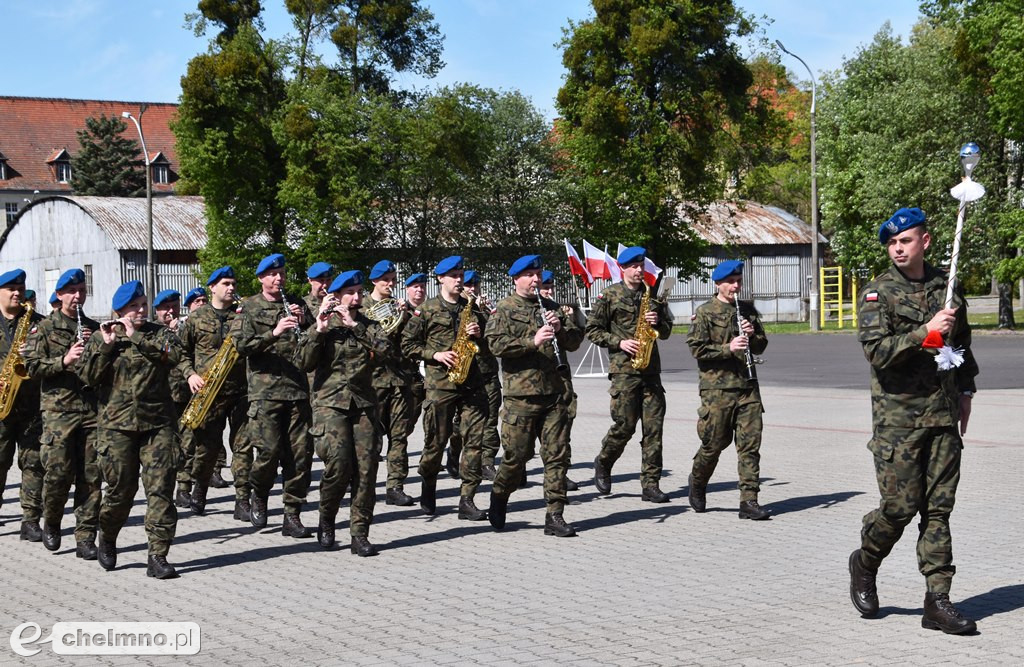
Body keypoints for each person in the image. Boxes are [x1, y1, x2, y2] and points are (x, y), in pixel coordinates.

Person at [849, 207, 979, 635]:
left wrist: (965, 391)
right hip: (899, 421)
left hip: (942, 415)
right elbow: (878, 353)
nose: (897, 248)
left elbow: (962, 345)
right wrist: (924, 331)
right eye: (891, 242)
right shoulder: (878, 293)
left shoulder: (948, 287)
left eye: (905, 240)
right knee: (900, 508)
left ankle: (937, 601)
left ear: (925, 240)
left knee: (938, 511)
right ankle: (865, 562)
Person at [78, 280, 182, 579]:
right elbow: (87, 377)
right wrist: (106, 347)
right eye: (132, 307)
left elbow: (171, 357)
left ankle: (157, 555)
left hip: (158, 424)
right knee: (121, 491)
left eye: (142, 305)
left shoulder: (159, 333)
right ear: (118, 311)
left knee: (161, 491)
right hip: (116, 427)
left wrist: (136, 337)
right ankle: (108, 536)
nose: (139, 311)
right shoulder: (102, 337)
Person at [297, 270, 392, 555]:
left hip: (363, 405)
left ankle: (359, 533)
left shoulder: (368, 324)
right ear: (335, 296)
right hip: (330, 404)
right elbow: (303, 361)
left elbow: (387, 350)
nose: (356, 297)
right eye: (350, 293)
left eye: (359, 292)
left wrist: (355, 327)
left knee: (366, 470)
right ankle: (327, 518)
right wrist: (319, 330)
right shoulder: (323, 325)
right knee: (338, 466)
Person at [485, 256, 583, 536]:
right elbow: (495, 345)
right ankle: (500, 494)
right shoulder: (504, 309)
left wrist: (561, 328)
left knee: (557, 456)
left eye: (538, 274)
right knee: (516, 458)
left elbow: (575, 343)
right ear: (515, 279)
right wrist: (532, 341)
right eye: (529, 274)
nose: (535, 279)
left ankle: (555, 515)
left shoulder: (551, 307)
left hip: (554, 395)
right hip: (521, 397)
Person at [234, 253, 315, 538]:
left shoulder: (296, 302)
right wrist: (274, 332)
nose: (278, 279)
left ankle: (292, 514)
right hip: (265, 393)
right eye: (272, 274)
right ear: (260, 278)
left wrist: (305, 321)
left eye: (281, 273)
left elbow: (314, 339)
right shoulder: (250, 307)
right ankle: (258, 493)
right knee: (267, 453)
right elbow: (242, 346)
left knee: (300, 456)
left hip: (296, 390)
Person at [401, 255, 488, 520]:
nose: (459, 280)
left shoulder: (472, 307)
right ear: (440, 278)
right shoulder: (426, 310)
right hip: (441, 385)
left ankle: (467, 499)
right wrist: (435, 355)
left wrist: (479, 334)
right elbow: (407, 346)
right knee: (435, 442)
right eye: (454, 276)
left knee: (474, 442)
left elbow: (489, 345)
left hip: (472, 383)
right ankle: (428, 483)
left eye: (461, 275)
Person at [23, 268, 102, 558]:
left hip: (91, 412)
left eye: (81, 290)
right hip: (58, 412)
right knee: (57, 475)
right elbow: (31, 367)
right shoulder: (44, 328)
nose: (77, 296)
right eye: (71, 291)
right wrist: (64, 360)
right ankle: (52, 521)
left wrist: (99, 349)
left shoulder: (92, 327)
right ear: (59, 295)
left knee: (91, 477)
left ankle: (85, 537)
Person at [585, 246, 673, 502]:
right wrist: (619, 342)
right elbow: (592, 330)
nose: (638, 271)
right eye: (633, 267)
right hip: (624, 371)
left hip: (651, 372)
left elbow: (666, 332)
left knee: (654, 430)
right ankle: (604, 460)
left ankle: (650, 484)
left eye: (641, 266)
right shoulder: (609, 296)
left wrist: (659, 323)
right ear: (623, 268)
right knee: (624, 426)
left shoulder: (653, 296)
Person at [686, 260, 770, 520]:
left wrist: (752, 333)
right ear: (718, 284)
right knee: (714, 444)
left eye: (739, 281)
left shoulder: (746, 310)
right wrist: (728, 348)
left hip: (747, 388)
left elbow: (761, 346)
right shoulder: (705, 312)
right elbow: (696, 349)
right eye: (731, 282)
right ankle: (698, 481)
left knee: (749, 446)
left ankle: (749, 501)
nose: (736, 286)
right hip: (717, 390)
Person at [178, 267, 250, 519]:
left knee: (242, 448)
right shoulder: (196, 319)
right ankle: (199, 491)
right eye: (226, 283)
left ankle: (243, 500)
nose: (231, 288)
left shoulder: (242, 316)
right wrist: (190, 374)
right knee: (206, 449)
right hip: (208, 392)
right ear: (213, 287)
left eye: (233, 283)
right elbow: (181, 352)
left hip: (240, 391)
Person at [365, 260, 416, 507]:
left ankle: (395, 486)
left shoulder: (398, 306)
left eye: (393, 280)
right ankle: (366, 485)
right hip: (374, 381)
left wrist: (405, 316)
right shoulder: (364, 306)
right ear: (375, 281)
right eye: (386, 280)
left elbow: (409, 339)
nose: (391, 284)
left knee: (400, 436)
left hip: (400, 379)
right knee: (372, 438)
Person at [0, 268, 45, 542]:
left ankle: (30, 521)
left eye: (20, 287)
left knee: (33, 464)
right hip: (1, 407)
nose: (17, 293)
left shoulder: (38, 322)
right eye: (11, 289)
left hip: (30, 406)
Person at [458, 270, 502, 481]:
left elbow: (500, 337)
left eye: (476, 285)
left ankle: (487, 462)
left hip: (488, 373)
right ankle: (455, 454)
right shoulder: (456, 310)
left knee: (491, 420)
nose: (472, 289)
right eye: (468, 285)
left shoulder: (486, 311)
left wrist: (491, 314)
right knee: (460, 425)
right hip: (464, 374)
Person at [538, 270, 580, 492]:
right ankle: (519, 470)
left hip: (560, 377)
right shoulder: (519, 308)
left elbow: (574, 342)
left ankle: (560, 474)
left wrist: (561, 327)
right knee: (523, 443)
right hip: (531, 382)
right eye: (545, 286)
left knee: (564, 426)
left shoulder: (556, 310)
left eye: (551, 285)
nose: (549, 290)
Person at [402, 273, 428, 431]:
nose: (419, 290)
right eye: (415, 287)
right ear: (407, 290)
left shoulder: (430, 309)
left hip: (430, 370)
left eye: (422, 287)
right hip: (409, 372)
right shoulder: (400, 310)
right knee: (408, 420)